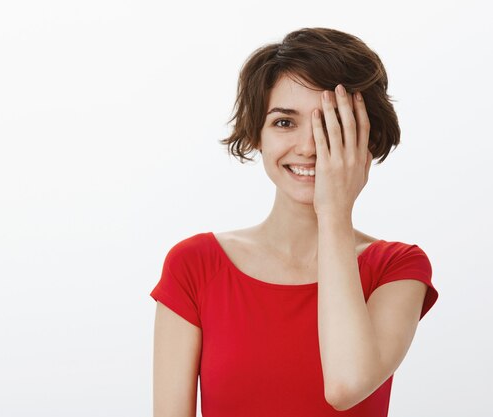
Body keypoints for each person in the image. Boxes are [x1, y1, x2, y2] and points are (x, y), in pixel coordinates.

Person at [150, 27, 439, 417]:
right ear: (258, 135)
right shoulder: (194, 265)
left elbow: (345, 386)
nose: (307, 147)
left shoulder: (397, 268)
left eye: (332, 124)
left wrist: (335, 212)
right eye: (285, 122)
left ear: (366, 137)